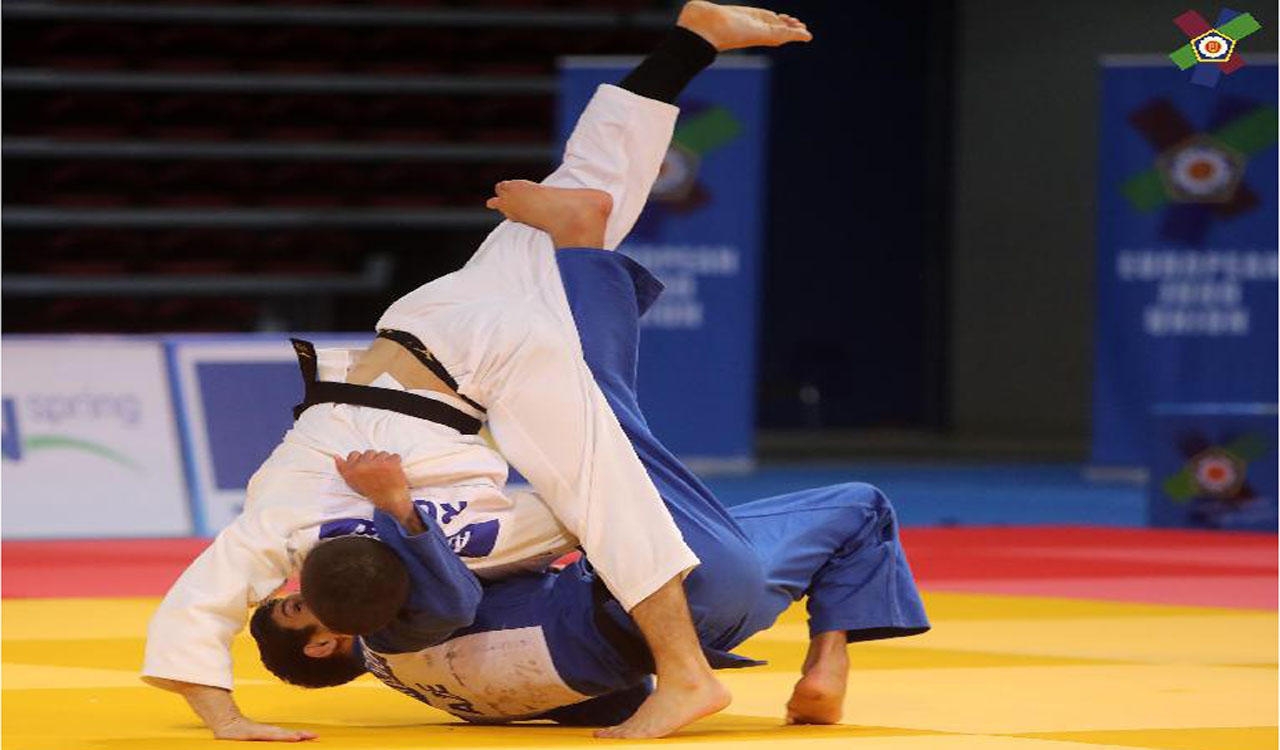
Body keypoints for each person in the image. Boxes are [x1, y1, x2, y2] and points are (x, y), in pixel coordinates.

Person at [140, 3, 813, 741]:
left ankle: (686, 674)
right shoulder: (335, 530)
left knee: (608, 488)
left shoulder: (337, 528)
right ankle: (692, 42)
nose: (292, 588)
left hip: (476, 364)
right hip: (425, 324)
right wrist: (222, 713)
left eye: (283, 596)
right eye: (293, 602)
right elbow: (206, 597)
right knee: (595, 184)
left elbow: (203, 604)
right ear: (333, 629)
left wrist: (226, 719)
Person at [250, 185, 930, 728]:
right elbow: (458, 597)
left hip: (714, 607)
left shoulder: (438, 698)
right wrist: (400, 504)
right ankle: (579, 237)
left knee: (861, 507)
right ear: (322, 644)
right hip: (667, 589)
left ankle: (824, 669)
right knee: (597, 415)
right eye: (293, 607)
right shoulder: (394, 625)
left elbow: (608, 699)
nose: (302, 587)